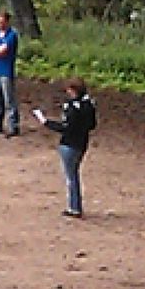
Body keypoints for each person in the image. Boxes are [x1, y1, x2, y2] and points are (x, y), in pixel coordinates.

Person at [39, 78, 97, 219]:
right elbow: (92, 125)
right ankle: (75, 205)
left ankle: (74, 207)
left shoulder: (72, 108)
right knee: (74, 174)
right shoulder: (88, 105)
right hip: (82, 143)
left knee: (71, 177)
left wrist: (46, 122)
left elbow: (66, 128)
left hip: (69, 144)